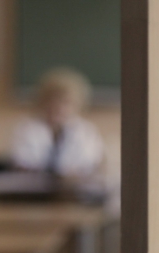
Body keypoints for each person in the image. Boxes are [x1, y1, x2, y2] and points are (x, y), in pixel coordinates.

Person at [12, 68, 107, 201]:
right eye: (52, 101)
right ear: (41, 102)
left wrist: (72, 177)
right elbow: (22, 164)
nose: (58, 107)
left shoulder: (85, 131)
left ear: (77, 104)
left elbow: (94, 166)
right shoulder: (27, 129)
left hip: (75, 196)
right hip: (33, 197)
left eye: (65, 102)